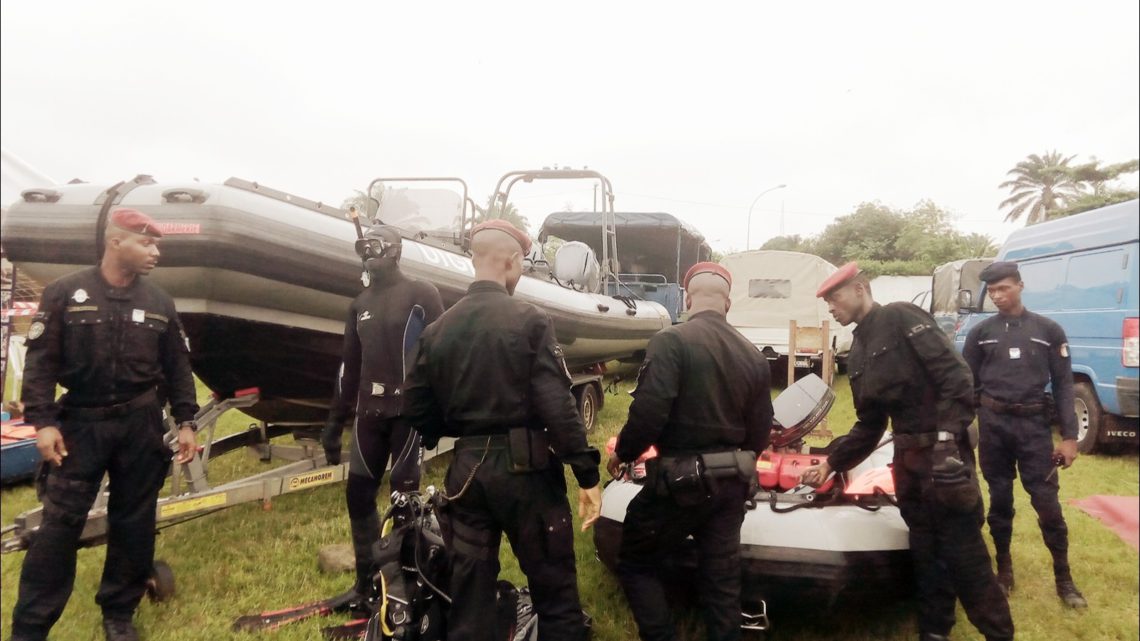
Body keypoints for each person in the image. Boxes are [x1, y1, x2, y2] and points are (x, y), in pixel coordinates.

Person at [403, 218, 602, 641]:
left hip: (467, 474)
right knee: (556, 594)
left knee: (469, 599)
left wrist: (449, 427)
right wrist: (586, 474)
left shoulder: (438, 330)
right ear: (512, 261)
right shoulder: (530, 319)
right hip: (527, 475)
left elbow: (416, 406)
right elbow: (557, 406)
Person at [10, 208, 199, 641]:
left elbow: (178, 368)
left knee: (134, 522)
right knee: (59, 526)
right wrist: (42, 423)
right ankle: (31, 626)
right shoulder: (64, 293)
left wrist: (186, 421)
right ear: (116, 242)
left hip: (140, 424)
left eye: (156, 245)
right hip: (80, 424)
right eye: (146, 244)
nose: (155, 253)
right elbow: (40, 365)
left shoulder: (159, 302)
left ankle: (119, 612)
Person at [799, 262, 1014, 641]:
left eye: (835, 297)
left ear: (861, 288)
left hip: (943, 460)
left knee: (967, 561)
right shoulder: (860, 348)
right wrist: (832, 463)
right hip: (909, 464)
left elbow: (957, 377)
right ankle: (934, 634)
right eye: (827, 301)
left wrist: (947, 442)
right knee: (927, 557)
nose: (830, 307)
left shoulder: (901, 316)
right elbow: (870, 424)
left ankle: (999, 634)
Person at [606, 262, 773, 641]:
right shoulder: (753, 355)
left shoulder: (672, 341)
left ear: (686, 297)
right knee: (721, 578)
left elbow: (649, 411)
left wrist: (625, 453)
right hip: (730, 484)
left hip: (679, 484)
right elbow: (761, 431)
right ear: (728, 303)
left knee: (636, 563)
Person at [321, 224, 444, 603]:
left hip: (406, 414)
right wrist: (333, 423)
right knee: (358, 495)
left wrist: (439, 411)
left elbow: (442, 352)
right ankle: (366, 584)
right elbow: (349, 367)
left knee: (404, 501)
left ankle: (406, 588)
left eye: (374, 247)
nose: (367, 255)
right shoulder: (359, 304)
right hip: (368, 415)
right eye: (363, 248)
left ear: (395, 251)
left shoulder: (422, 294)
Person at [962, 260, 1087, 608]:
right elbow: (966, 385)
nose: (998, 296)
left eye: (1004, 288)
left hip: (1033, 428)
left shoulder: (1048, 330)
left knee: (1048, 506)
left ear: (1019, 285)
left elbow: (1063, 385)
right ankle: (1003, 571)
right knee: (999, 503)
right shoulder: (980, 333)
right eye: (993, 291)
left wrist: (1069, 437)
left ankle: (1064, 579)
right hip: (994, 428)